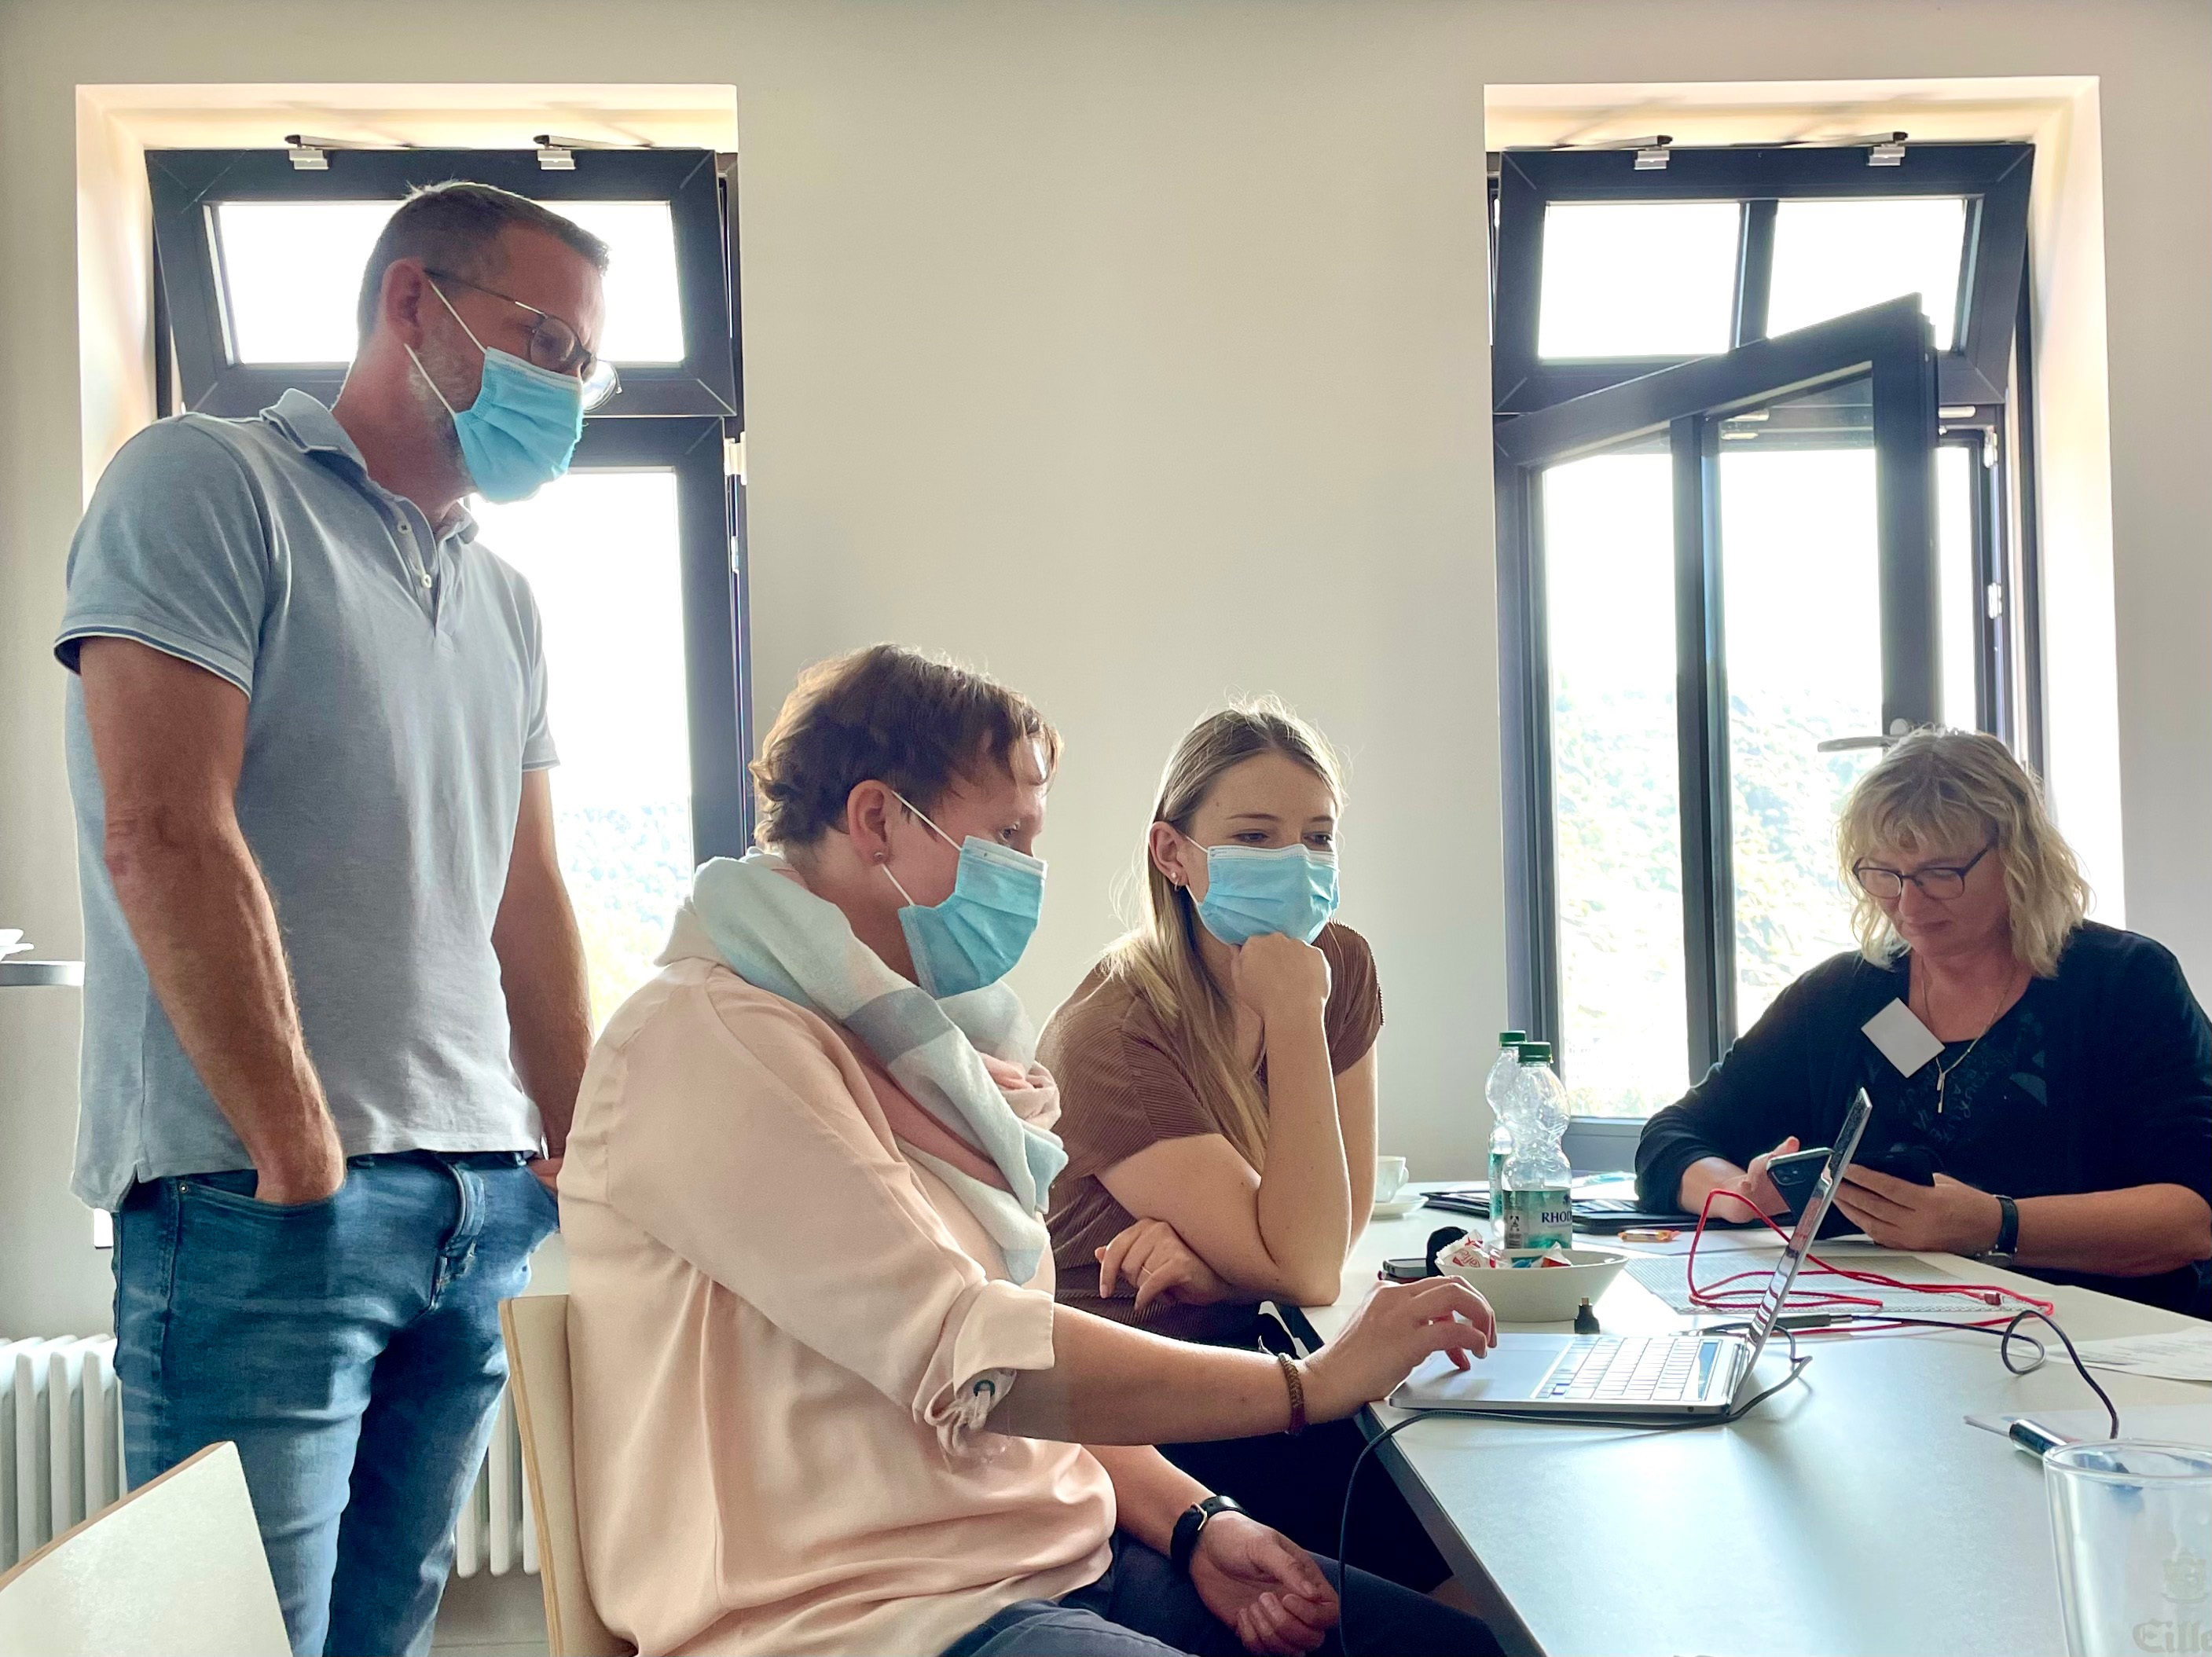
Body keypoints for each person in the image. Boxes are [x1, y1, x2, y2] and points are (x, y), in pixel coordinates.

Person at [559, 646, 1502, 1657]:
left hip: (1061, 1559)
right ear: (877, 819)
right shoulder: (709, 1039)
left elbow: (1008, 1362)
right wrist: (1305, 1390)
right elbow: (980, 1355)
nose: (1027, 872)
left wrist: (1195, 1523)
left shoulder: (930, 1054)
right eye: (1007, 835)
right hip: (863, 1612)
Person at [57, 181, 611, 1654]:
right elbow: (165, 826)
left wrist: (586, 1151)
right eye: (544, 338)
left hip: (479, 1199)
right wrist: (297, 1150)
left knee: (386, 1636)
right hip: (267, 1202)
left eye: (587, 364)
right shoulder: (202, 480)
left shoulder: (506, 602)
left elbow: (527, 894)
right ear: (413, 303)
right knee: (235, 1638)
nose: (567, 385)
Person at [1039, 705, 1450, 1591]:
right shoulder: (1115, 1031)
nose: (1294, 864)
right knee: (1427, 1522)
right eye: (1255, 837)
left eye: (1317, 838)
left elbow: (1324, 1239)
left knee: (1457, 1480)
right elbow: (1306, 1267)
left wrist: (1224, 1266)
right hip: (1132, 1415)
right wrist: (1295, 1015)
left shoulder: (1338, 963)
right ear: (1172, 853)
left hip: (1247, 1354)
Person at [1635, 728, 2212, 1314]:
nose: (1909, 906)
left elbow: (2192, 1218)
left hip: (2101, 1348)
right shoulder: (1842, 996)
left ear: (2016, 857)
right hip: (1884, 1343)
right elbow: (1672, 1137)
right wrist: (1738, 1194)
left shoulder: (2124, 984)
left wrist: (1996, 1223)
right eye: (1884, 874)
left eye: (1941, 873)